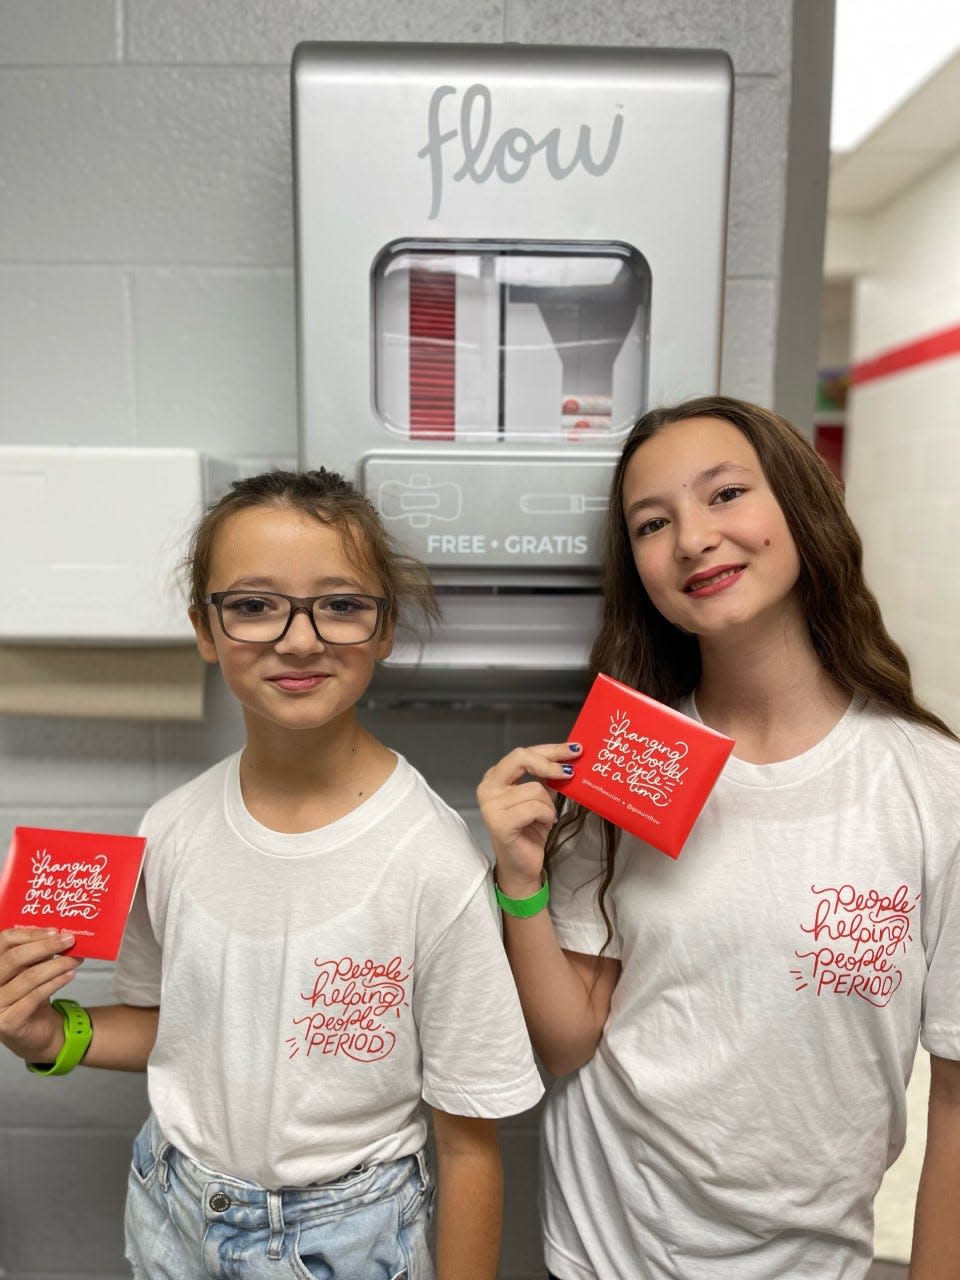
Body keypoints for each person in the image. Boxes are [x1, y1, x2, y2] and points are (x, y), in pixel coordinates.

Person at [0, 468, 543, 1279]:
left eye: (342, 604)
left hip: (352, 1235)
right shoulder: (173, 826)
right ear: (205, 629)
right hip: (172, 1205)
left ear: (385, 628)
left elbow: (470, 1147)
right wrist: (53, 1035)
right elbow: (171, 1028)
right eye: (253, 605)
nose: (298, 639)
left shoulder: (433, 863)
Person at [478, 396, 960, 1280]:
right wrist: (520, 882)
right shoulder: (628, 760)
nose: (694, 538)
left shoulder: (933, 787)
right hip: (600, 1252)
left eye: (726, 494)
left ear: (801, 510)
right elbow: (567, 1039)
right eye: (653, 523)